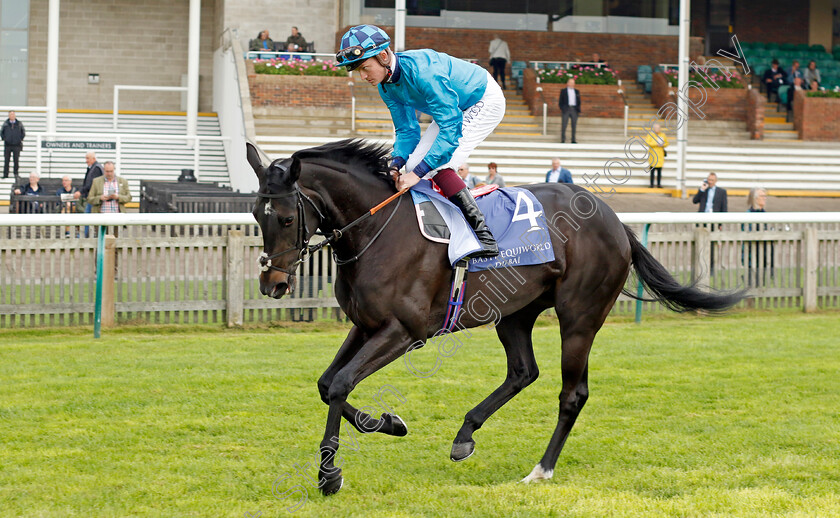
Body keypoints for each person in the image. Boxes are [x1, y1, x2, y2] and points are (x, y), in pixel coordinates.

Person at [335, 24, 505, 258]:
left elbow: (450, 125)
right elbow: (406, 130)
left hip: (482, 100)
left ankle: (483, 235)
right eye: (359, 71)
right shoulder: (386, 86)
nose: (363, 77)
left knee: (438, 165)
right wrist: (396, 162)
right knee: (413, 165)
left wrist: (419, 172)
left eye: (365, 68)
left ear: (383, 56)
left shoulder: (425, 72)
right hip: (453, 109)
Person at [644, 122, 669, 188]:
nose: (658, 129)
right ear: (654, 128)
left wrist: (663, 144)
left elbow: (667, 143)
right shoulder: (650, 135)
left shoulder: (663, 135)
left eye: (659, 128)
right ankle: (651, 184)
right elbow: (647, 143)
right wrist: (656, 143)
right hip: (653, 155)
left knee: (659, 171)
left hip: (660, 155)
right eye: (656, 128)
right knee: (652, 171)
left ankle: (659, 184)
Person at [2, 110, 25, 179]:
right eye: (10, 115)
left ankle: (16, 174)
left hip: (16, 145)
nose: (12, 116)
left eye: (13, 114)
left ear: (15, 115)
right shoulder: (5, 124)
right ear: (9, 116)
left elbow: (23, 133)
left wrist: (19, 139)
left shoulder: (19, 124)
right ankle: (5, 174)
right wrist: (5, 139)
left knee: (16, 160)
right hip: (8, 145)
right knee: (6, 160)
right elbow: (2, 132)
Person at [559, 78, 581, 143]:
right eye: (571, 83)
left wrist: (578, 109)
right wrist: (563, 108)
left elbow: (579, 101)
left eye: (573, 83)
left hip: (574, 109)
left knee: (574, 125)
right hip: (566, 109)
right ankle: (563, 139)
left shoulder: (577, 91)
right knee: (564, 125)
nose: (572, 84)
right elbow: (560, 101)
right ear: (567, 83)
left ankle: (573, 139)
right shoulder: (563, 91)